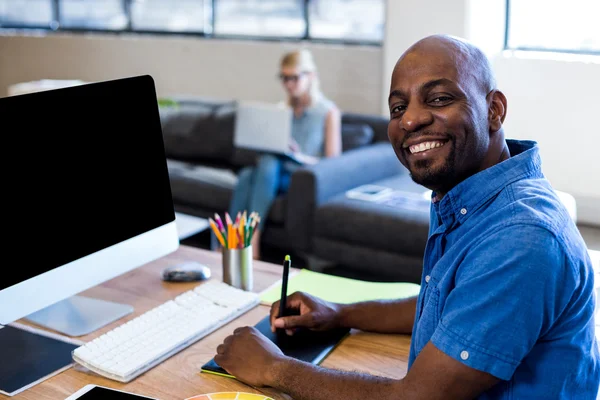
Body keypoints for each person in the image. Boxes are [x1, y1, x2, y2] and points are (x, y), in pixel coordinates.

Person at [213, 34, 600, 399]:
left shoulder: (521, 236)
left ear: (494, 110)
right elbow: (449, 304)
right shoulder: (469, 194)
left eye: (438, 98)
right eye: (399, 107)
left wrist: (274, 369)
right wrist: (339, 313)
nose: (411, 120)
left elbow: (417, 397)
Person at [228, 48, 342, 260]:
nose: (288, 84)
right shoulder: (281, 110)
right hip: (274, 175)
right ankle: (230, 242)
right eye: (284, 78)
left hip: (302, 178)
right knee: (248, 173)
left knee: (267, 165)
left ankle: (251, 241)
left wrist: (299, 155)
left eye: (294, 78)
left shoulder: (328, 112)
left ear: (311, 76)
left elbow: (333, 164)